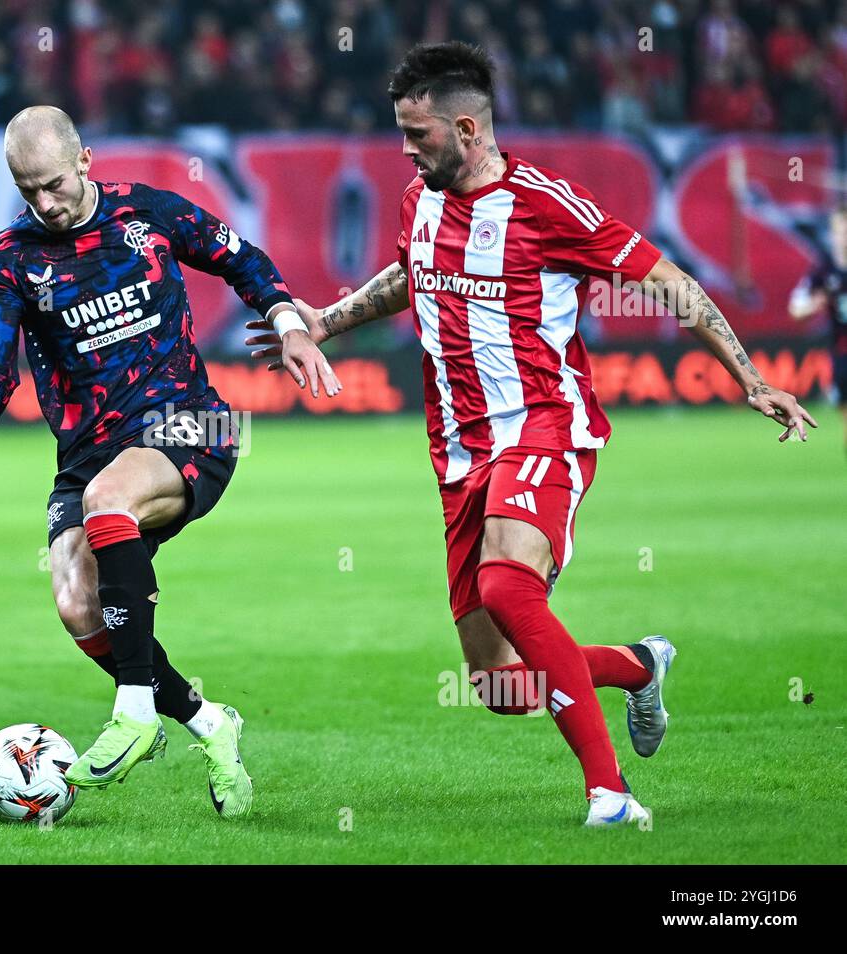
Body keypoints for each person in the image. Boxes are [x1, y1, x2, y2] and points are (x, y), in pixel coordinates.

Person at [248, 42, 816, 826]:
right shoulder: (422, 199)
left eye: (420, 135)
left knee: (507, 583)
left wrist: (751, 379)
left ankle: (611, 796)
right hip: (457, 450)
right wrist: (326, 319)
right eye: (402, 134)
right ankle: (639, 665)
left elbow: (671, 282)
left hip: (545, 425)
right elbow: (411, 275)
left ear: (471, 129)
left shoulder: (548, 206)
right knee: (500, 684)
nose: (406, 152)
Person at [0, 105, 339, 818]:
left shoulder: (146, 215)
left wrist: (288, 321)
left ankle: (134, 711)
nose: (44, 203)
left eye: (53, 185)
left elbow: (239, 257)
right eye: (27, 190)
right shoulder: (11, 256)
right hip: (88, 452)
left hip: (190, 423)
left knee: (110, 502)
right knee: (76, 604)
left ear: (85, 162)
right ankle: (208, 722)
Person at [789, 205, 847, 454]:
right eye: (840, 230)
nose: (844, 235)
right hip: (843, 355)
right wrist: (815, 303)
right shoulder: (824, 271)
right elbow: (796, 308)